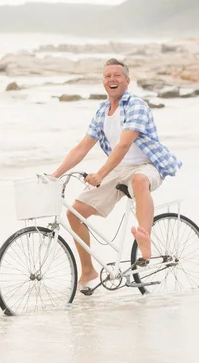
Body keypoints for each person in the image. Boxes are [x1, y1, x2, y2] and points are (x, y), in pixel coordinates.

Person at [49, 58, 181, 292]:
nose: (112, 79)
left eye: (117, 75)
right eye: (107, 76)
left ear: (127, 81)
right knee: (74, 213)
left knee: (140, 180)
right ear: (103, 82)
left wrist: (100, 174)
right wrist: (55, 175)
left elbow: (123, 145)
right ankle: (88, 271)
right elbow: (82, 147)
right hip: (118, 169)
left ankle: (145, 238)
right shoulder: (102, 112)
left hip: (148, 164)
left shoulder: (136, 105)